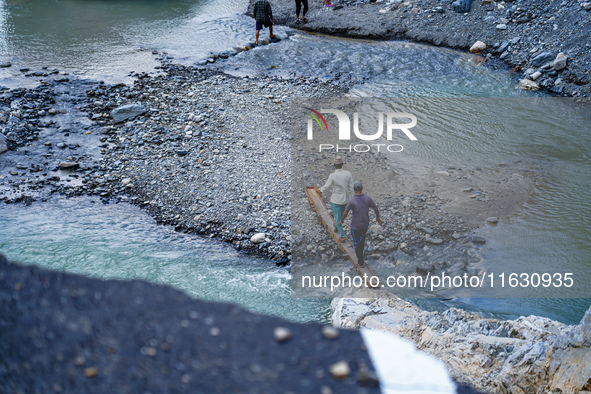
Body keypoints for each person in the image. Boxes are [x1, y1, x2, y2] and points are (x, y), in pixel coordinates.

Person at [339, 181, 381, 267]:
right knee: (361, 240)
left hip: (355, 225)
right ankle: (361, 256)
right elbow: (375, 208)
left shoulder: (352, 200)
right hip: (365, 223)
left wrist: (341, 220)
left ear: (354, 189)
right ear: (362, 188)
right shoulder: (367, 198)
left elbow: (345, 212)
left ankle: (360, 261)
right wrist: (377, 217)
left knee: (357, 243)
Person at [319, 156, 353, 243]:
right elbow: (352, 187)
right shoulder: (348, 173)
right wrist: (353, 197)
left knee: (338, 217)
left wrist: (321, 190)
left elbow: (327, 186)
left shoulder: (332, 176)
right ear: (342, 164)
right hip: (345, 199)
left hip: (335, 200)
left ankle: (342, 236)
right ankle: (335, 226)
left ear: (334, 165)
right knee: (340, 216)